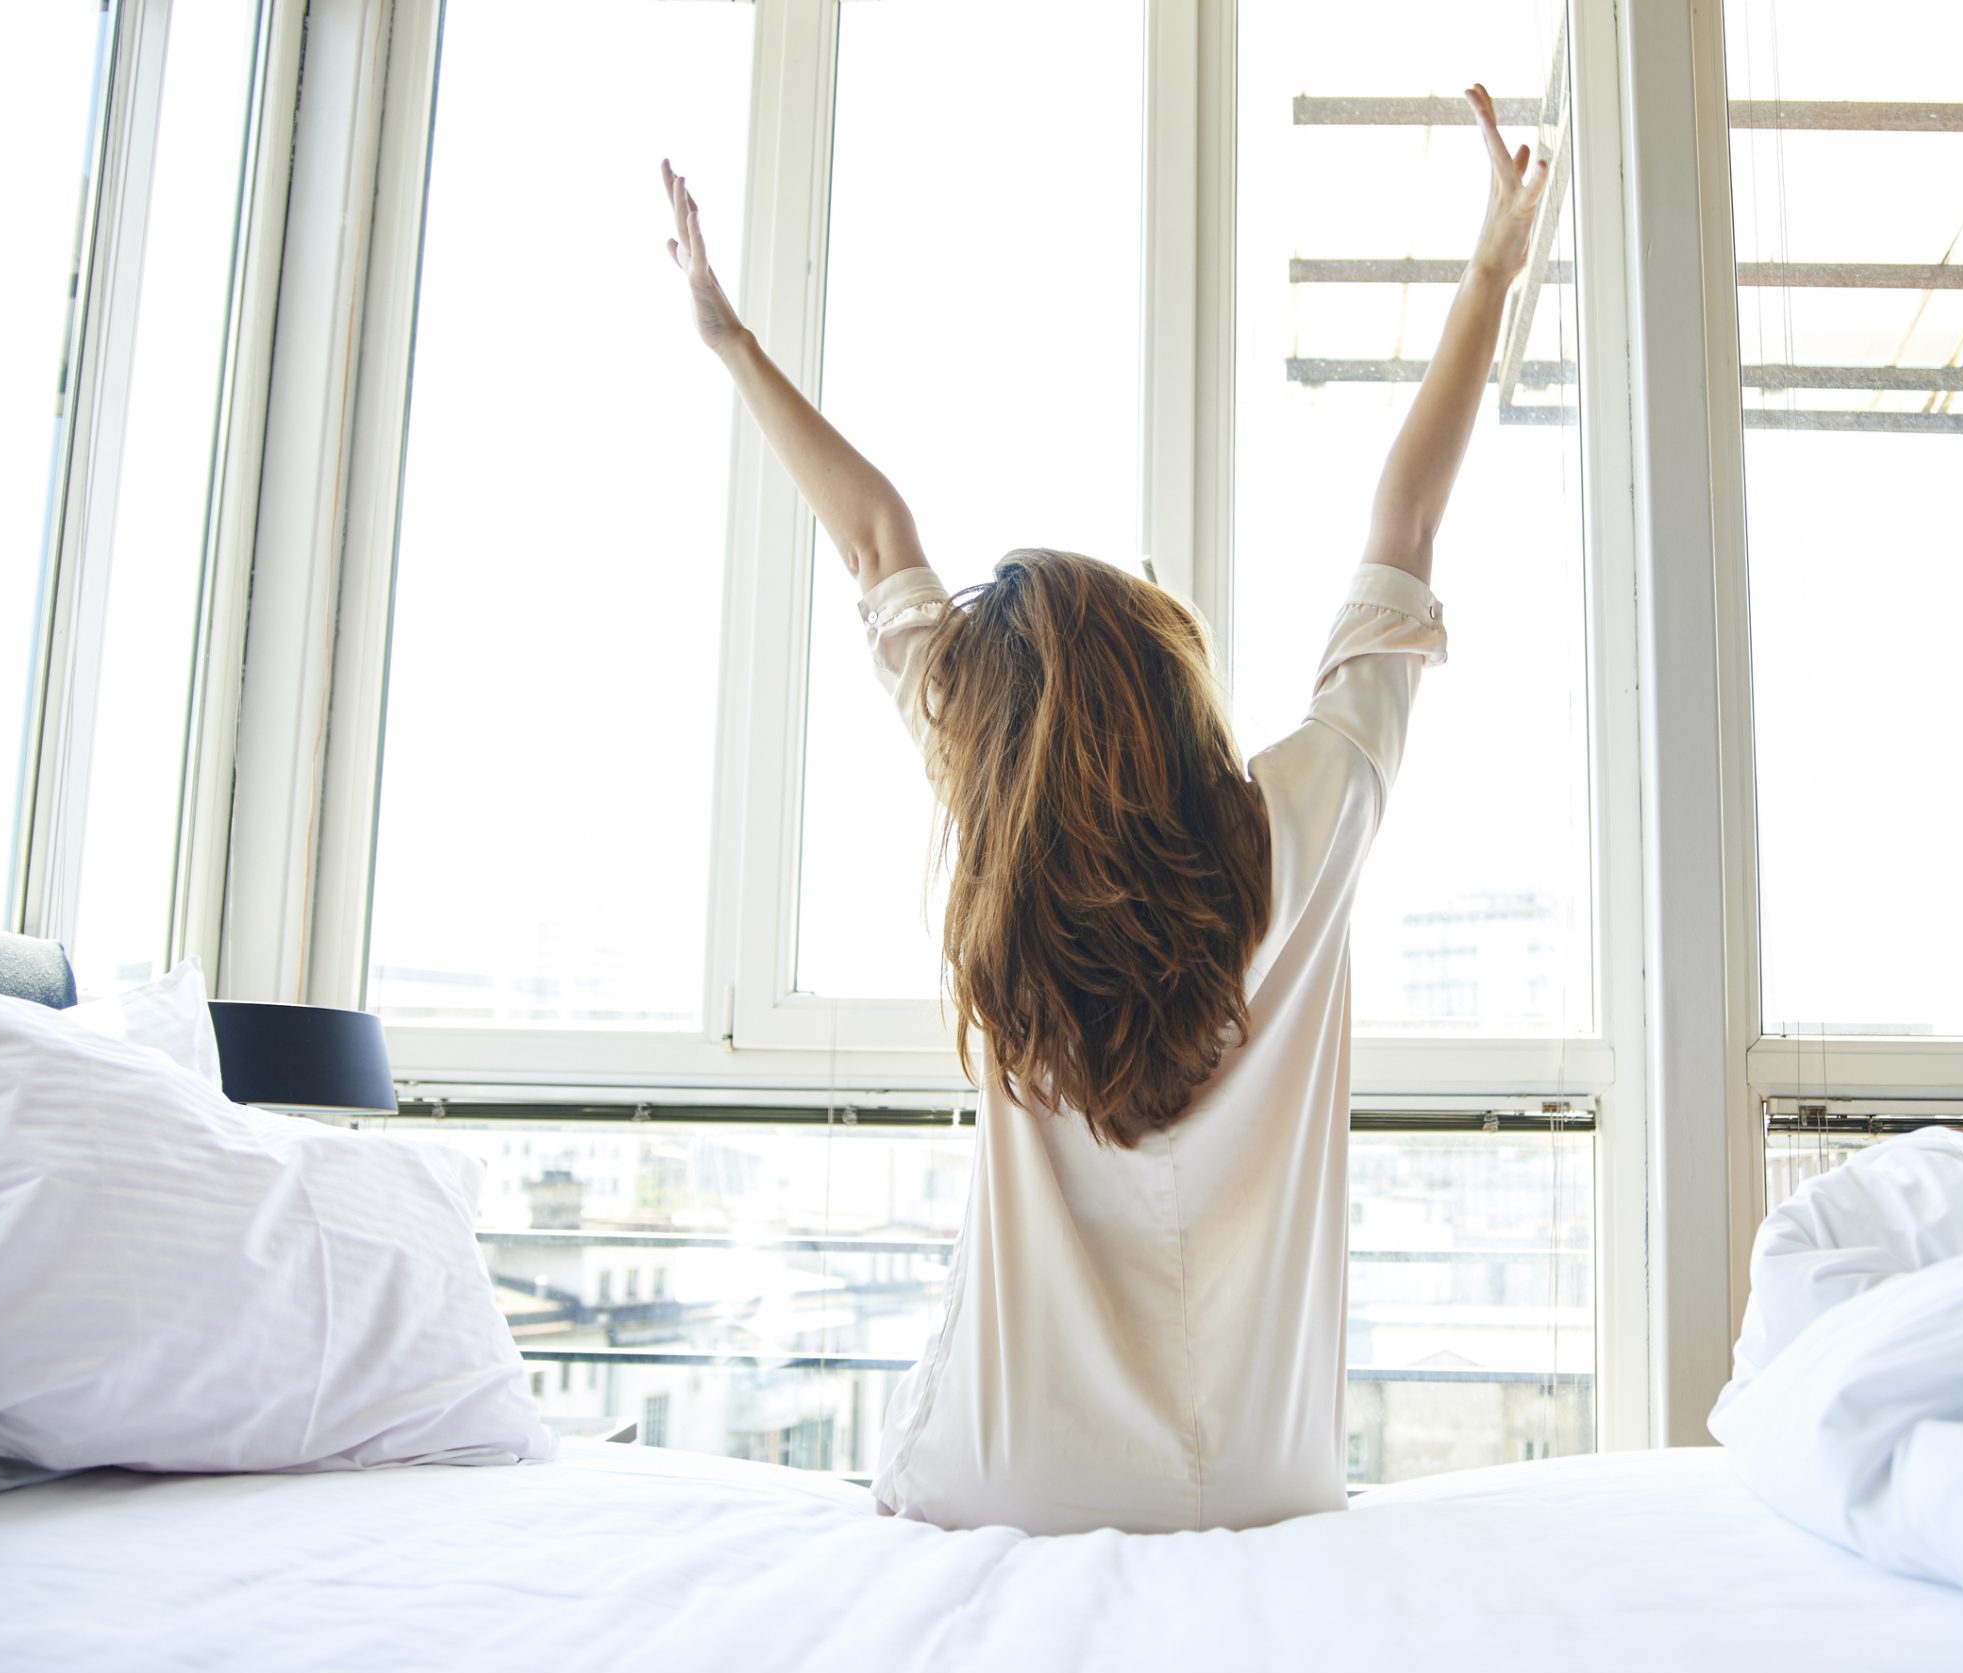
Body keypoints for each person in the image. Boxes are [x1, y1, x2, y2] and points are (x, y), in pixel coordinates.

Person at [661, 83, 1549, 1535]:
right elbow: (1404, 523)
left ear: (1002, 735)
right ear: (1168, 671)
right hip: (1259, 1478)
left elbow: (879, 537)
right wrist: (1492, 274)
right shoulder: (1298, 828)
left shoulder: (1002, 840)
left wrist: (729, 337)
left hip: (1010, 1474)